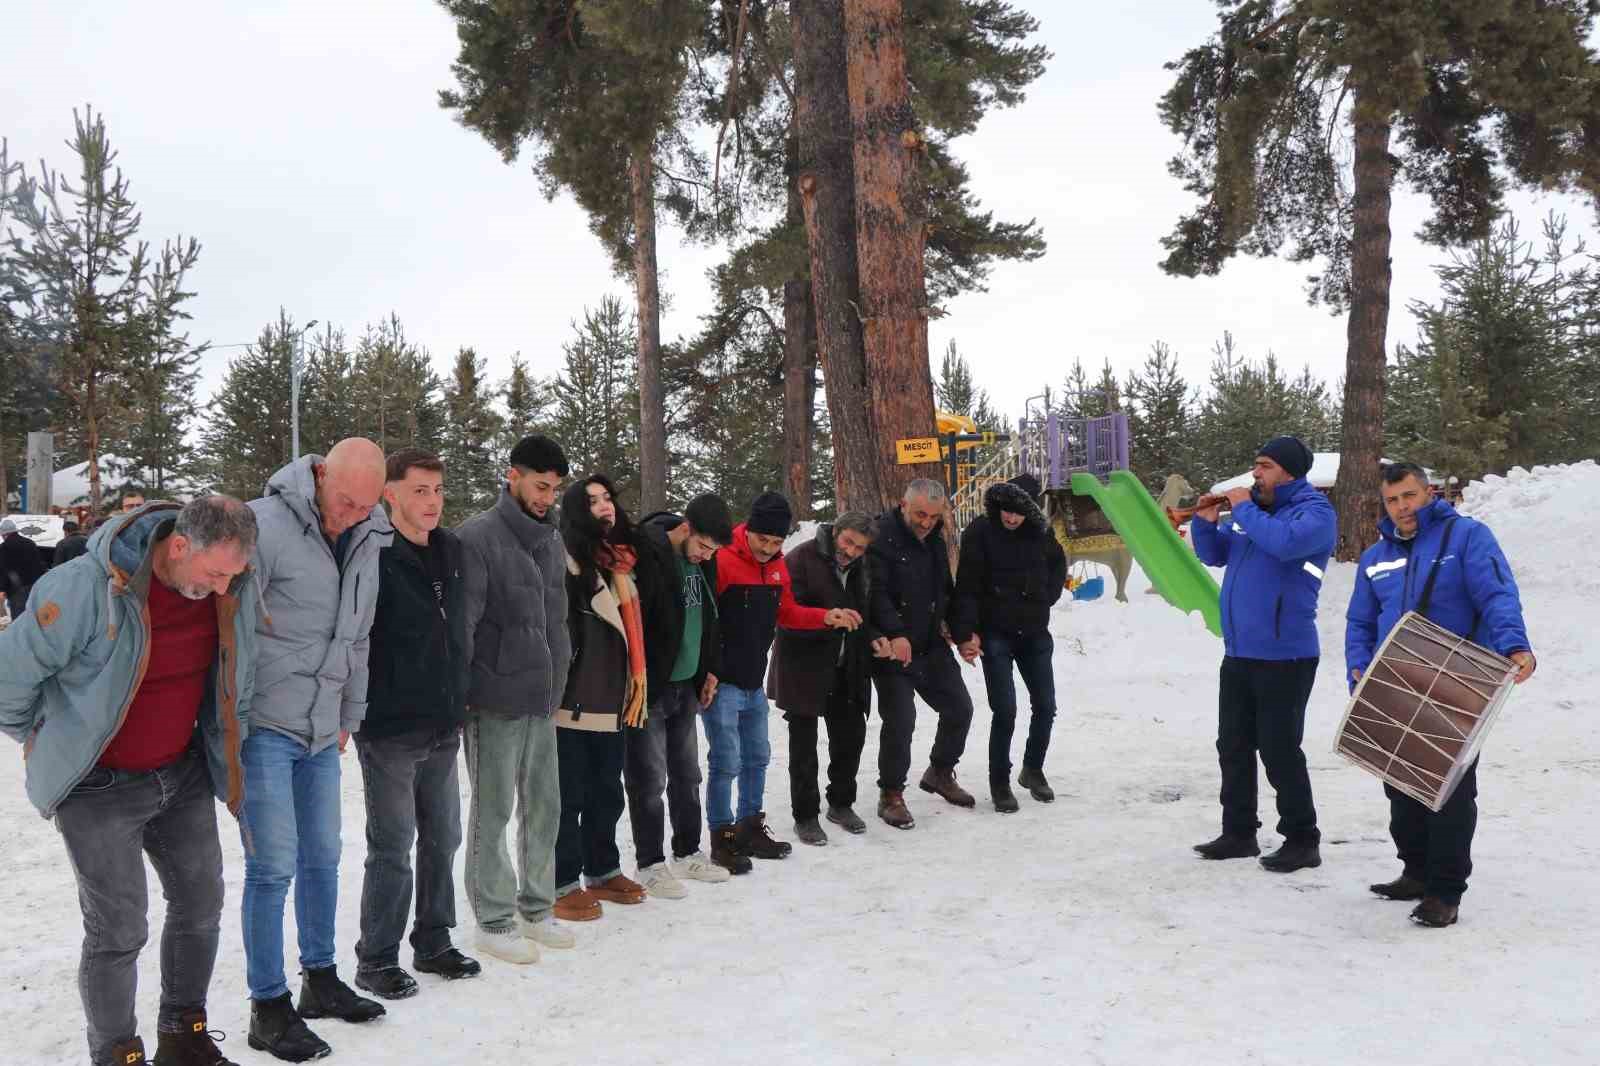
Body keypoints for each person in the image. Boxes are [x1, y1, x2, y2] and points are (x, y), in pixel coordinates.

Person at [0, 496, 260, 1066]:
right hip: (97, 788)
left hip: (179, 773)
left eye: (232, 576)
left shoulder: (226, 587)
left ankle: (183, 1036)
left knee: (201, 905)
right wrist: (50, 740)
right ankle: (117, 1054)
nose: (223, 589)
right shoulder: (84, 588)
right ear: (177, 547)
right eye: (215, 573)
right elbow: (8, 680)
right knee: (118, 930)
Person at [243, 438, 393, 1062]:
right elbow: (234, 630)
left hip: (322, 728)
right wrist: (235, 719)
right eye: (345, 502)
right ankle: (267, 1004)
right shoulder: (264, 523)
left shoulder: (369, 535)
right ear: (320, 474)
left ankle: (320, 978)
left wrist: (349, 713)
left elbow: (358, 637)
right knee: (272, 865)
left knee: (325, 857)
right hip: (265, 726)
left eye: (365, 506)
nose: (351, 515)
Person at [1345, 462, 1535, 928]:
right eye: (1392, 500)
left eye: (1409, 496)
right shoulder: (1375, 556)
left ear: (1428, 493)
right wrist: (1358, 669)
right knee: (1400, 781)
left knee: (1448, 788)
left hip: (1456, 680)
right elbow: (1360, 620)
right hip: (1395, 681)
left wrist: (1514, 643)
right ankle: (1415, 870)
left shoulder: (1466, 538)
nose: (1402, 507)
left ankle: (1445, 890)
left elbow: (1496, 595)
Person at [351, 450, 479, 1002]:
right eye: (420, 490)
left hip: (443, 721)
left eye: (437, 490)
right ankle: (376, 958)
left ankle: (433, 939)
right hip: (389, 725)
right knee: (392, 844)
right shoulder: (372, 552)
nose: (431, 501)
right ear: (391, 494)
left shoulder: (451, 550)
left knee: (443, 835)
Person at [1190, 435, 1335, 873]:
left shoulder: (1314, 513)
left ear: (1290, 471)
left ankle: (1302, 839)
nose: (1256, 473)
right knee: (1232, 744)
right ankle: (1238, 833)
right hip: (1240, 652)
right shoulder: (1252, 512)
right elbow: (1214, 555)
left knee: (1279, 748)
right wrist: (1204, 521)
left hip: (1286, 655)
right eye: (1256, 465)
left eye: (1265, 465)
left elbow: (1285, 544)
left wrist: (1245, 510)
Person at [456, 435, 574, 965]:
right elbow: (463, 627)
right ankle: (493, 918)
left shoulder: (551, 539)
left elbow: (557, 619)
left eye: (555, 488)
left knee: (545, 808)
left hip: (542, 698)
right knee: (494, 808)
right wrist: (469, 690)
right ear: (513, 476)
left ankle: (536, 906)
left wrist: (560, 678)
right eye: (540, 485)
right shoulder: (477, 537)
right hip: (495, 700)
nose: (547, 496)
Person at [705, 491, 858, 870]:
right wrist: (705, 671)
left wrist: (826, 617)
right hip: (720, 682)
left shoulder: (776, 565)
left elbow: (786, 612)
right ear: (749, 530)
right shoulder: (722, 560)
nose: (769, 548)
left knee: (757, 758)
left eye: (776, 542)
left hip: (752, 682)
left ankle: (749, 827)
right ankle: (722, 838)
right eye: (763, 540)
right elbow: (705, 621)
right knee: (726, 762)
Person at [551, 475, 651, 920]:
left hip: (613, 700)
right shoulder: (568, 565)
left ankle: (603, 868)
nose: (604, 506)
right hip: (571, 702)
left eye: (607, 498)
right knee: (568, 796)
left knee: (607, 794)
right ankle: (561, 881)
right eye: (592, 501)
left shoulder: (619, 566)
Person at [626, 495, 736, 892]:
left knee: (687, 774)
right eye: (704, 546)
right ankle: (650, 863)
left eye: (714, 551)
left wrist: (709, 669)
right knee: (648, 778)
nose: (707, 557)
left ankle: (688, 851)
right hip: (651, 686)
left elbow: (709, 617)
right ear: (686, 528)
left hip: (687, 684)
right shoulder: (649, 552)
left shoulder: (702, 563)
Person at [865, 478, 977, 830]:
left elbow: (947, 591)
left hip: (929, 645)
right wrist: (894, 634)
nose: (926, 522)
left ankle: (940, 772)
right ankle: (891, 794)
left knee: (960, 708)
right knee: (901, 719)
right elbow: (875, 593)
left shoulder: (936, 540)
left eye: (932, 515)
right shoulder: (880, 536)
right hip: (892, 649)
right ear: (903, 504)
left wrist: (962, 636)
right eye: (919, 514)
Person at [952, 476, 1067, 813]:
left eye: (1019, 513)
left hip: (1034, 633)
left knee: (1046, 705)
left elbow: (1057, 566)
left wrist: (1046, 596)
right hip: (995, 634)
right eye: (1006, 510)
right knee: (1005, 710)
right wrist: (966, 632)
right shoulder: (979, 533)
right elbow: (967, 587)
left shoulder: (1041, 533)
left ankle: (1033, 769)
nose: (1011, 518)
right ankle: (999, 781)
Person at [767, 512, 880, 845]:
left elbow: (868, 609)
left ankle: (841, 803)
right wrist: (826, 618)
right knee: (803, 745)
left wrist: (874, 636)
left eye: (860, 548)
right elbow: (784, 612)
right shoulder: (800, 558)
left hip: (847, 664)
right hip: (804, 664)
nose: (852, 552)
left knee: (851, 736)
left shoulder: (864, 565)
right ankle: (805, 815)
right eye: (848, 542)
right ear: (836, 532)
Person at [0, 515, 48, 619]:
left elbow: (4, 569)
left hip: (16, 588)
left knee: (18, 617)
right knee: (30, 615)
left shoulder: (5, 547)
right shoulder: (30, 543)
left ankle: (19, 635)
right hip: (32, 586)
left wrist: (2, 588)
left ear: (4, 534)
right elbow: (39, 564)